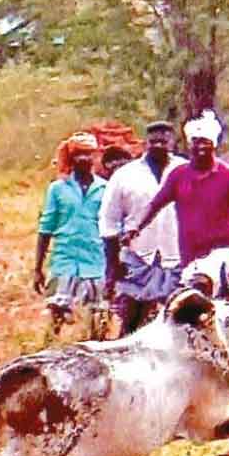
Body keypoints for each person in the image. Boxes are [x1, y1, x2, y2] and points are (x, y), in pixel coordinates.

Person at [128, 110, 229, 296]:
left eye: (205, 142)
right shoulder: (179, 175)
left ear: (214, 146)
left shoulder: (228, 176)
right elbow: (154, 205)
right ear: (189, 145)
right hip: (190, 255)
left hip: (224, 252)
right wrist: (135, 226)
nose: (200, 147)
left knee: (208, 289)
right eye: (196, 142)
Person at [99, 121, 186, 335]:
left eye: (163, 141)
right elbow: (108, 221)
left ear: (173, 142)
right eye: (153, 141)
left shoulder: (186, 170)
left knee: (177, 325)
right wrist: (113, 264)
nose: (158, 145)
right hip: (137, 258)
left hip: (177, 258)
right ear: (145, 143)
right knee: (131, 324)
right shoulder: (125, 175)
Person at [35, 133, 107, 336]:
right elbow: (46, 228)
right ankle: (50, 347)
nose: (83, 159)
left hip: (95, 259)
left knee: (98, 314)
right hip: (65, 258)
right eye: (78, 155)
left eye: (88, 154)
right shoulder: (57, 189)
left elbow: (111, 226)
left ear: (95, 156)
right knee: (57, 310)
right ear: (71, 157)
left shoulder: (105, 188)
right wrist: (38, 268)